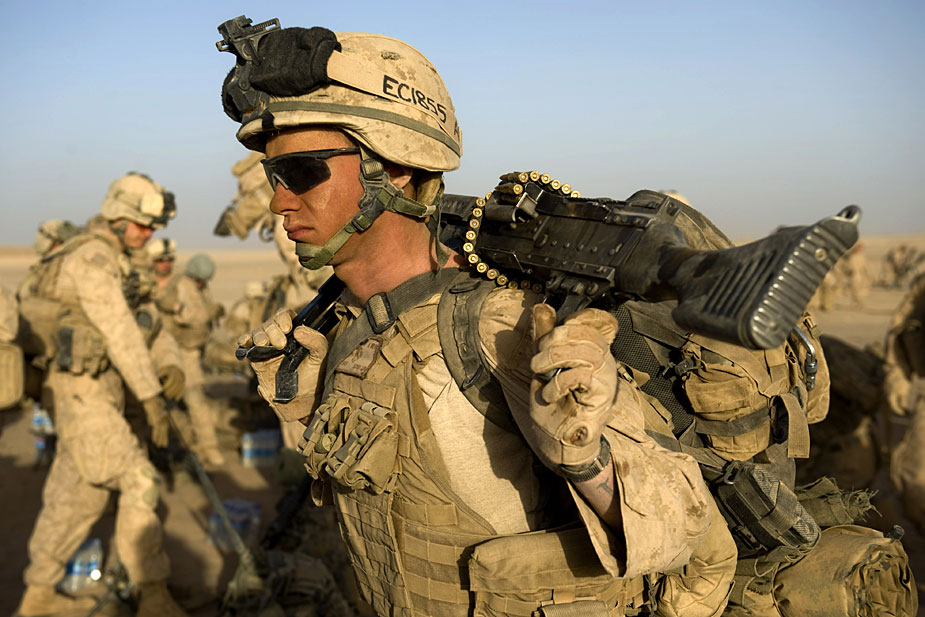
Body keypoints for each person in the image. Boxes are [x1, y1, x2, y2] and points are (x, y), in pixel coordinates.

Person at [222, 21, 736, 617]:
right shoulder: (344, 327)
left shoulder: (496, 326)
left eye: (302, 172)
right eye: (274, 176)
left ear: (395, 168)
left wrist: (585, 455)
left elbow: (691, 538)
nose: (279, 200)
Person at [15, 172, 188, 617]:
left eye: (152, 228)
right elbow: (118, 329)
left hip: (96, 394)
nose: (148, 234)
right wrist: (151, 398)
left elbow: (148, 323)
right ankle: (152, 594)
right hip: (81, 392)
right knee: (140, 480)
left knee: (77, 498)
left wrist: (169, 363)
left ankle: (38, 595)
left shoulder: (121, 261)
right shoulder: (93, 258)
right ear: (117, 217)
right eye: (142, 225)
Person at [155, 252, 226, 466]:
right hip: (179, 351)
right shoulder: (185, 285)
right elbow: (190, 316)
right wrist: (209, 312)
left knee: (191, 400)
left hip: (187, 349)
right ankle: (204, 447)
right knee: (193, 399)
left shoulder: (195, 285)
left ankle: (205, 447)